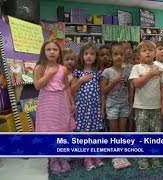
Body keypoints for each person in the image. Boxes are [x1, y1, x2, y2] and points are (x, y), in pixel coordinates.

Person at [33, 40, 75, 174]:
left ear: (59, 53)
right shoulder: (40, 67)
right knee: (49, 131)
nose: (52, 52)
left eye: (55, 50)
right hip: (46, 103)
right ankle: (53, 159)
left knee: (62, 129)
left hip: (61, 102)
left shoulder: (63, 68)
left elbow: (67, 87)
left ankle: (62, 157)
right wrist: (49, 73)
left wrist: (71, 102)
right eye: (48, 49)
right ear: (43, 52)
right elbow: (38, 86)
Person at [129, 40, 163, 169]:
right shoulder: (137, 68)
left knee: (155, 133)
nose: (147, 52)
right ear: (139, 55)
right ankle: (143, 157)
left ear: (154, 54)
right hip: (141, 107)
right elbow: (136, 84)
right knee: (142, 133)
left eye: (150, 50)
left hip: (156, 107)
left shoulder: (160, 69)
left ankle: (155, 156)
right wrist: (150, 74)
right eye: (144, 50)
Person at [71, 42, 105, 171]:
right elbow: (72, 91)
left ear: (96, 56)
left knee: (94, 133)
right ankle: (87, 158)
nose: (89, 56)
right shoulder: (77, 72)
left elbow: (102, 92)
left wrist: (102, 108)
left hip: (95, 108)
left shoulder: (98, 73)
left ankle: (95, 155)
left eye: (92, 54)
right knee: (84, 134)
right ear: (81, 56)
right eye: (86, 54)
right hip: (82, 109)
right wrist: (80, 81)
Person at [101, 43, 131, 169]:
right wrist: (114, 82)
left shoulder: (127, 71)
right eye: (115, 54)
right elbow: (103, 90)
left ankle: (121, 152)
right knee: (114, 131)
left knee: (122, 130)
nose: (119, 57)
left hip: (124, 104)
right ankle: (115, 155)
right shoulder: (107, 71)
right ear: (111, 57)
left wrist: (130, 104)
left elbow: (129, 89)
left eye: (121, 54)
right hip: (112, 105)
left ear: (124, 56)